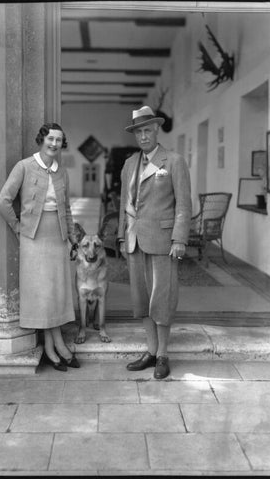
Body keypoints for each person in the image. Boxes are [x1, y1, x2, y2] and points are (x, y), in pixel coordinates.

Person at [0, 123, 80, 371]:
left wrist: (73, 238)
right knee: (43, 293)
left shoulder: (62, 172)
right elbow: (3, 201)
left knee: (55, 292)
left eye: (59, 140)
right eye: (50, 139)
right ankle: (54, 347)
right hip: (33, 237)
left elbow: (66, 209)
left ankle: (54, 346)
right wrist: (18, 227)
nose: (54, 144)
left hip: (59, 236)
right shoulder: (24, 166)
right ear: (42, 139)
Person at [117, 106, 192, 379]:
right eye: (139, 131)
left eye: (148, 130)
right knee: (142, 301)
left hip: (163, 241)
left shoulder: (173, 161)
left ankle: (163, 354)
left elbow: (184, 204)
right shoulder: (128, 164)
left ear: (157, 130)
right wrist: (122, 236)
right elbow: (125, 204)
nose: (143, 136)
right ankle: (150, 352)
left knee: (161, 299)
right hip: (135, 241)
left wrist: (179, 238)